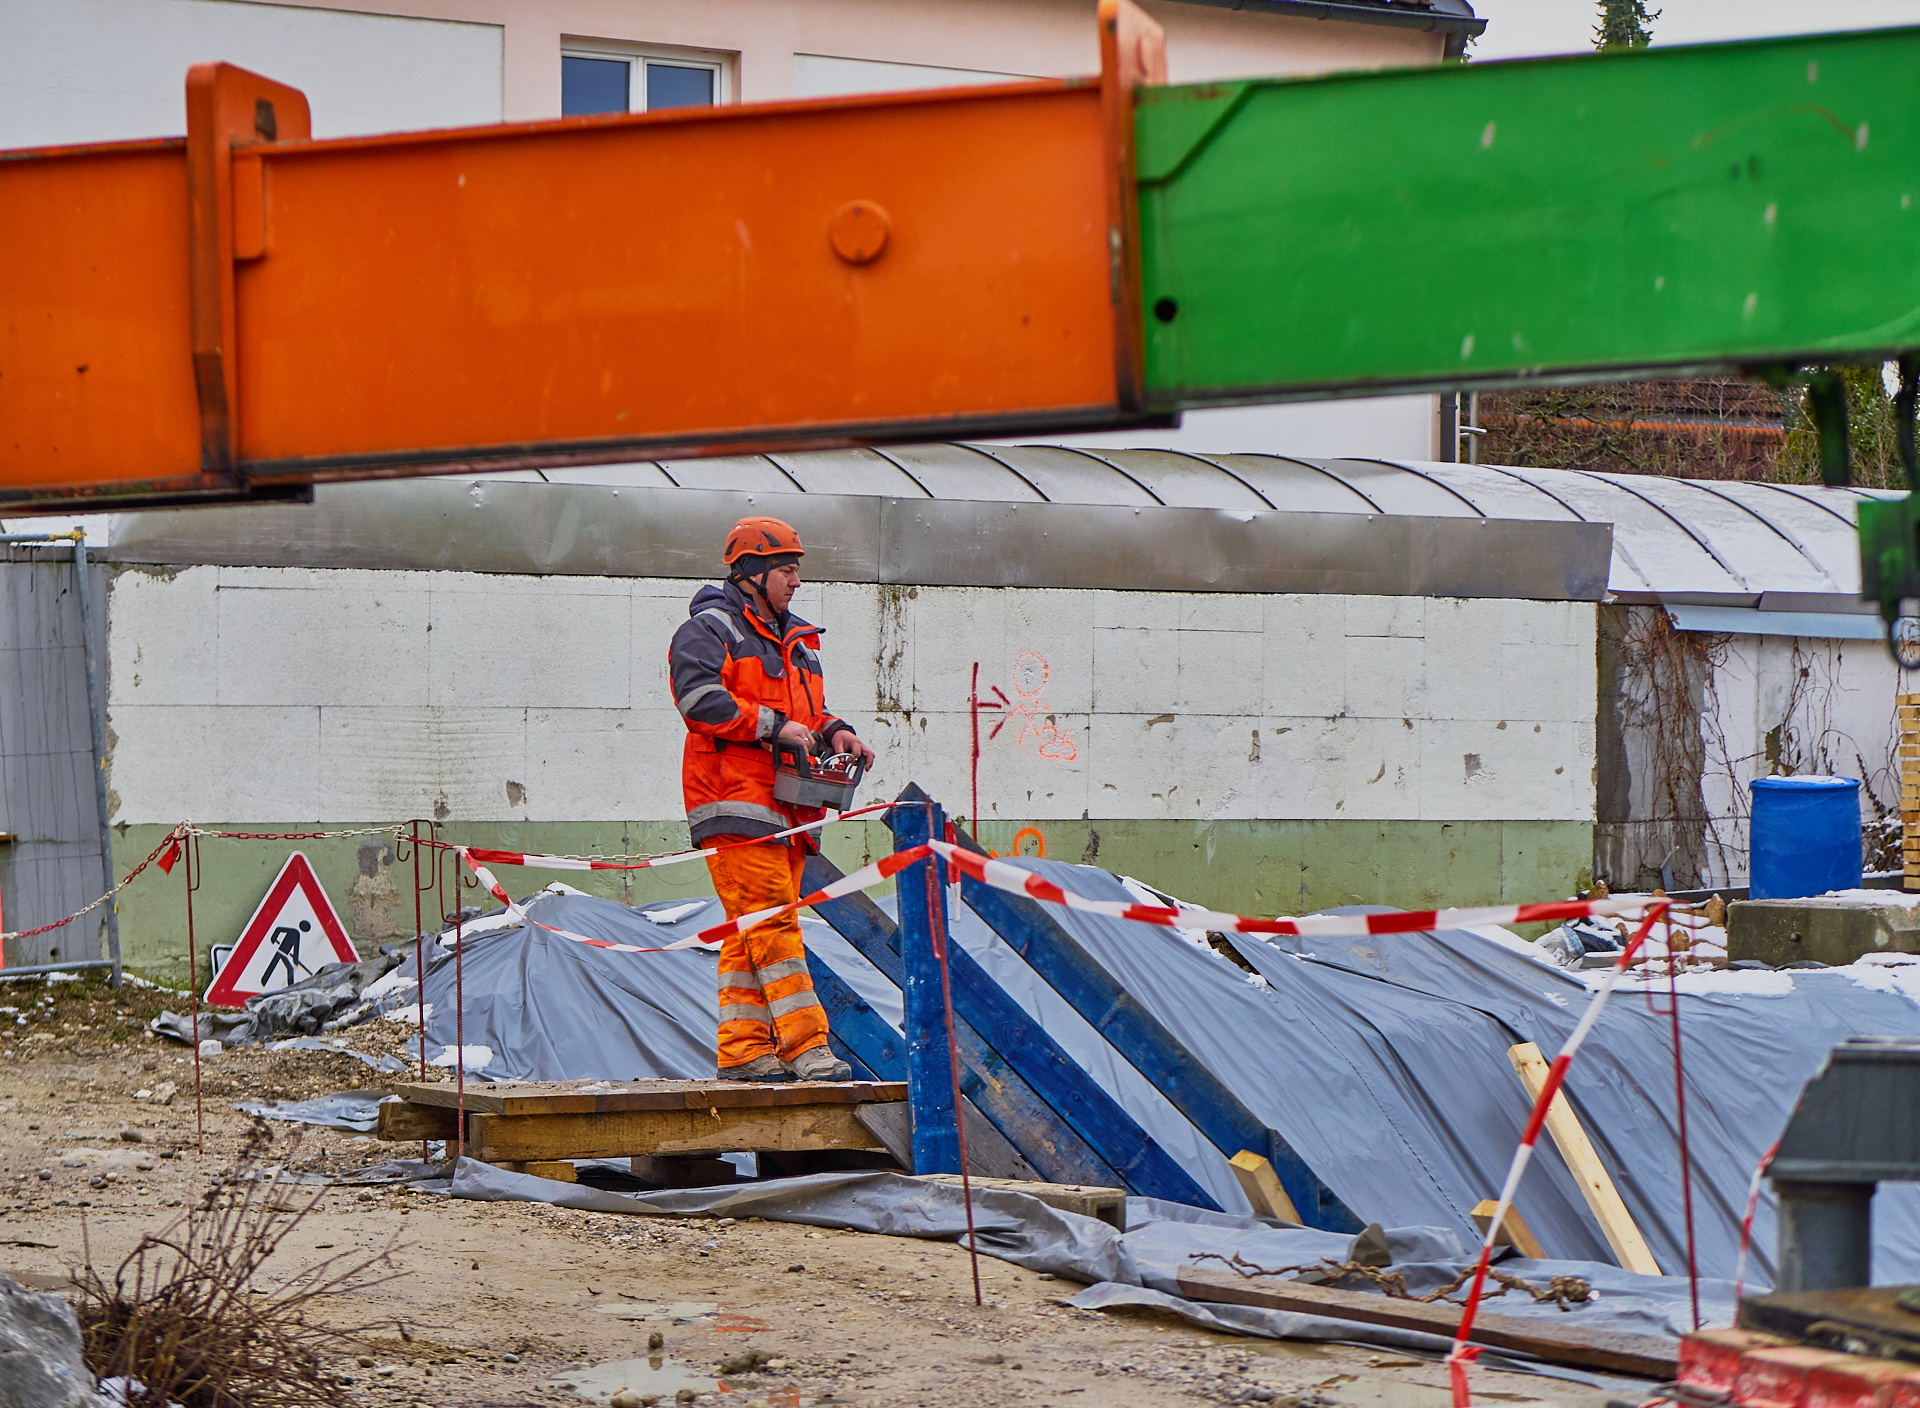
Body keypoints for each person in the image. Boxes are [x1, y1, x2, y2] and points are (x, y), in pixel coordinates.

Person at [668, 516, 877, 1083]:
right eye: (787, 569)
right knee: (776, 927)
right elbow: (699, 702)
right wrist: (772, 726)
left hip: (788, 805)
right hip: (733, 802)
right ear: (753, 574)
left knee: (749, 929)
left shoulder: (798, 640)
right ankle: (808, 1047)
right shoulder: (708, 631)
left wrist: (836, 730)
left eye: (797, 570)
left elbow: (807, 713)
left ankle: (743, 1052)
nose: (797, 581)